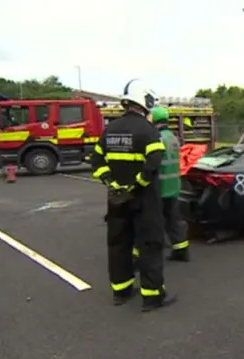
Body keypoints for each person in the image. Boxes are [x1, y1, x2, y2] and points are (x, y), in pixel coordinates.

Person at [91, 79, 176, 312]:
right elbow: (154, 162)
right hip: (144, 199)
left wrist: (112, 183)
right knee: (149, 244)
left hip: (116, 200)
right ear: (144, 101)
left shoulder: (110, 129)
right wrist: (136, 186)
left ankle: (121, 291)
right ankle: (153, 297)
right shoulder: (147, 131)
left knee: (119, 243)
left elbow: (96, 160)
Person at [151, 106, 191, 262]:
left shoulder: (157, 138)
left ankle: (153, 253)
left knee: (155, 222)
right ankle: (181, 250)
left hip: (159, 187)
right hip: (173, 186)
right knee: (174, 220)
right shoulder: (173, 137)